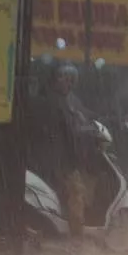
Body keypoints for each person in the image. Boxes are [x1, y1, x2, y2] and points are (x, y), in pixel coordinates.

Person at [34, 63, 97, 240]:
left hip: (63, 156)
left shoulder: (68, 99)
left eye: (71, 81)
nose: (68, 84)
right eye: (65, 79)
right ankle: (76, 236)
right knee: (77, 192)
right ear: (58, 79)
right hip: (59, 158)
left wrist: (98, 120)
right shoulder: (53, 101)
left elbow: (83, 115)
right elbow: (68, 127)